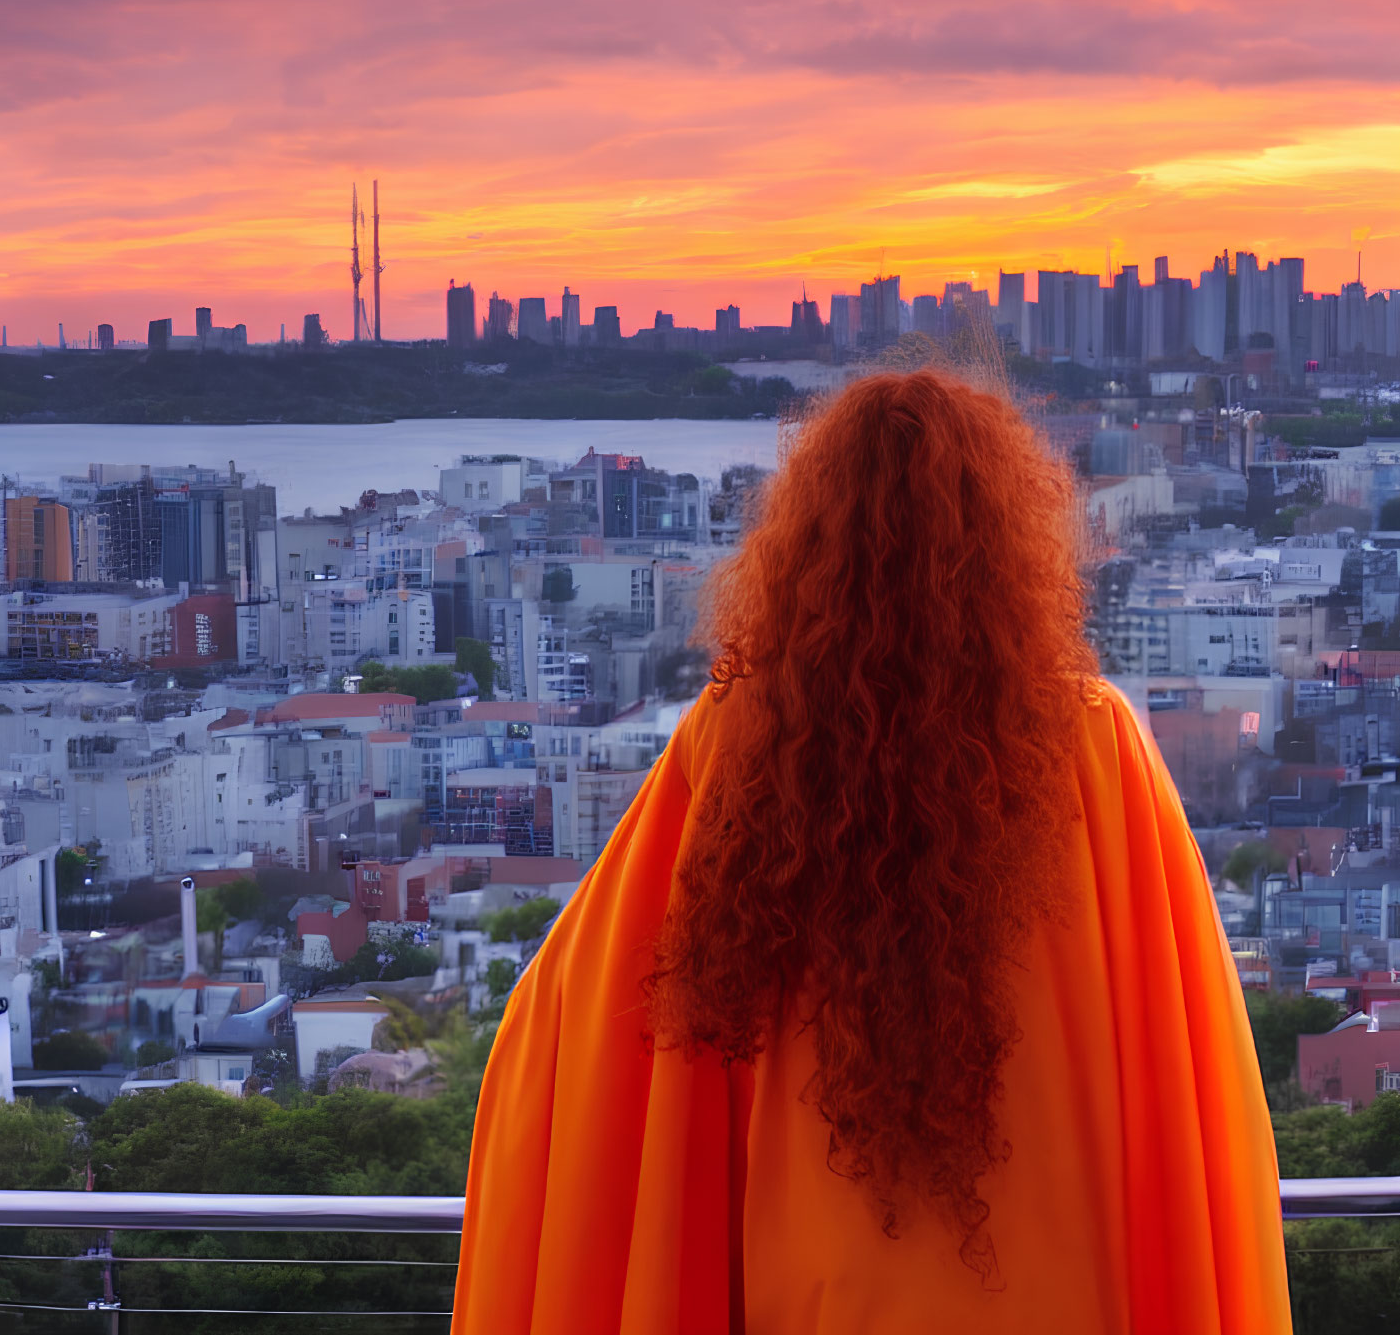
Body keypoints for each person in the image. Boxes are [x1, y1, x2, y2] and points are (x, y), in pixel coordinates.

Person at [453, 369, 1290, 1334]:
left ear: (809, 545)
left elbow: (574, 1012)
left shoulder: (736, 740)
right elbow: (1188, 1053)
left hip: (807, 1277)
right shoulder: (1094, 742)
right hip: (1054, 1279)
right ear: (1006, 546)